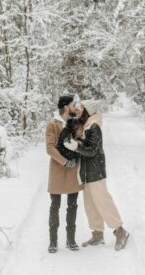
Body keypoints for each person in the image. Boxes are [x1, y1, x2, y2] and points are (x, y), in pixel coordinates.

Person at [65, 103, 130, 251]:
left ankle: (120, 231)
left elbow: (93, 150)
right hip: (87, 171)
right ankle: (97, 234)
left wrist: (76, 146)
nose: (78, 110)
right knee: (90, 204)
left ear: (89, 110)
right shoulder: (86, 125)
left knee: (102, 201)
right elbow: (85, 145)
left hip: (95, 170)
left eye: (82, 108)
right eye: (78, 108)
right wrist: (76, 142)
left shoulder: (94, 126)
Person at [45, 94, 82, 253]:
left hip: (73, 170)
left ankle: (70, 240)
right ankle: (53, 242)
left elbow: (81, 140)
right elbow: (50, 148)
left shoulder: (77, 123)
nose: (76, 106)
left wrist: (76, 145)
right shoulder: (52, 124)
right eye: (73, 104)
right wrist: (65, 161)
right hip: (58, 170)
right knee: (55, 206)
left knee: (72, 206)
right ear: (66, 106)